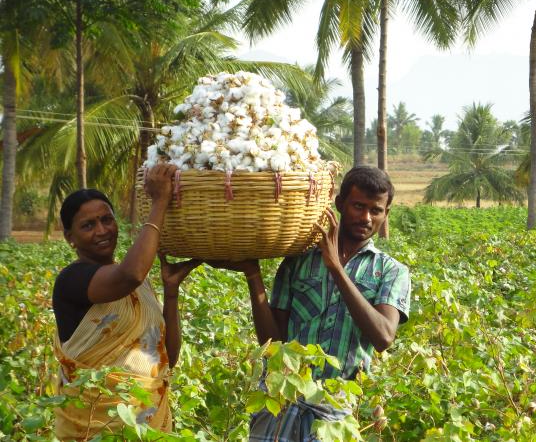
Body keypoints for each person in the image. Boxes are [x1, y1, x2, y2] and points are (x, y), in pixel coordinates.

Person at [213, 166, 411, 441]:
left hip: (335, 410)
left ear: (386, 214)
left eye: (376, 210)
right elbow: (272, 341)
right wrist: (253, 275)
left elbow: (383, 336)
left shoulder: (390, 271)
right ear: (340, 204)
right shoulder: (298, 260)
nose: (366, 217)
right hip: (281, 397)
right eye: (358, 206)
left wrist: (337, 270)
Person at [52, 164, 200, 440]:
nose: (102, 230)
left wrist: (170, 292)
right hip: (97, 428)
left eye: (107, 220)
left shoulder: (140, 285)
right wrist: (160, 201)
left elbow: (167, 357)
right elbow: (130, 273)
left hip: (149, 425)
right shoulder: (72, 280)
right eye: (88, 225)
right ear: (70, 238)